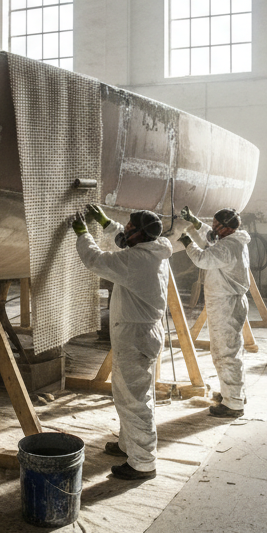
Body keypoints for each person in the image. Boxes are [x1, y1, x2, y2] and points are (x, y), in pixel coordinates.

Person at [73, 204, 172, 481]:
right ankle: (128, 445)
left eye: (130, 228)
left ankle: (142, 463)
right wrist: (106, 223)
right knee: (127, 394)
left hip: (135, 336)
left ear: (140, 235)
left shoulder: (134, 261)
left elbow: (95, 260)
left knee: (135, 400)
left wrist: (83, 234)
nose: (125, 230)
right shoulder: (156, 247)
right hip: (140, 333)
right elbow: (123, 239)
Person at [179, 206, 252, 418]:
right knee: (231, 351)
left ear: (225, 227)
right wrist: (195, 222)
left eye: (215, 225)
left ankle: (234, 405)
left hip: (225, 305)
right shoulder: (234, 241)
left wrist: (187, 243)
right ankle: (235, 394)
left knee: (225, 353)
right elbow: (212, 242)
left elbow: (203, 258)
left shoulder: (227, 247)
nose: (212, 228)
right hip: (230, 302)